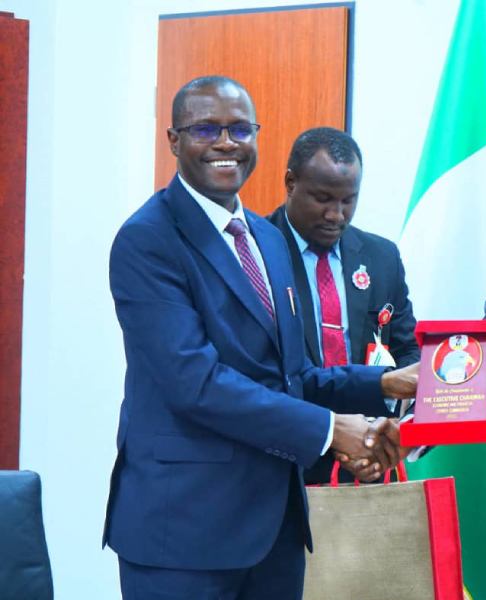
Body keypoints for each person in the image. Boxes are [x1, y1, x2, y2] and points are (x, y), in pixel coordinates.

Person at [102, 76, 416, 600]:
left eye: (240, 128)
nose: (226, 142)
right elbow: (195, 383)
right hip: (182, 536)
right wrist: (329, 430)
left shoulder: (267, 239)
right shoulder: (147, 240)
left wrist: (386, 383)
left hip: (275, 531)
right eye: (206, 128)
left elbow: (290, 377)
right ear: (174, 140)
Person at [268, 126, 420, 484]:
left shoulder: (382, 257)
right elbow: (266, 376)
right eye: (323, 198)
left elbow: (407, 351)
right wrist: (337, 435)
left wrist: (391, 432)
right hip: (281, 467)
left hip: (369, 465)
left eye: (348, 200)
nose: (336, 215)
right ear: (291, 183)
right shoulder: (256, 253)